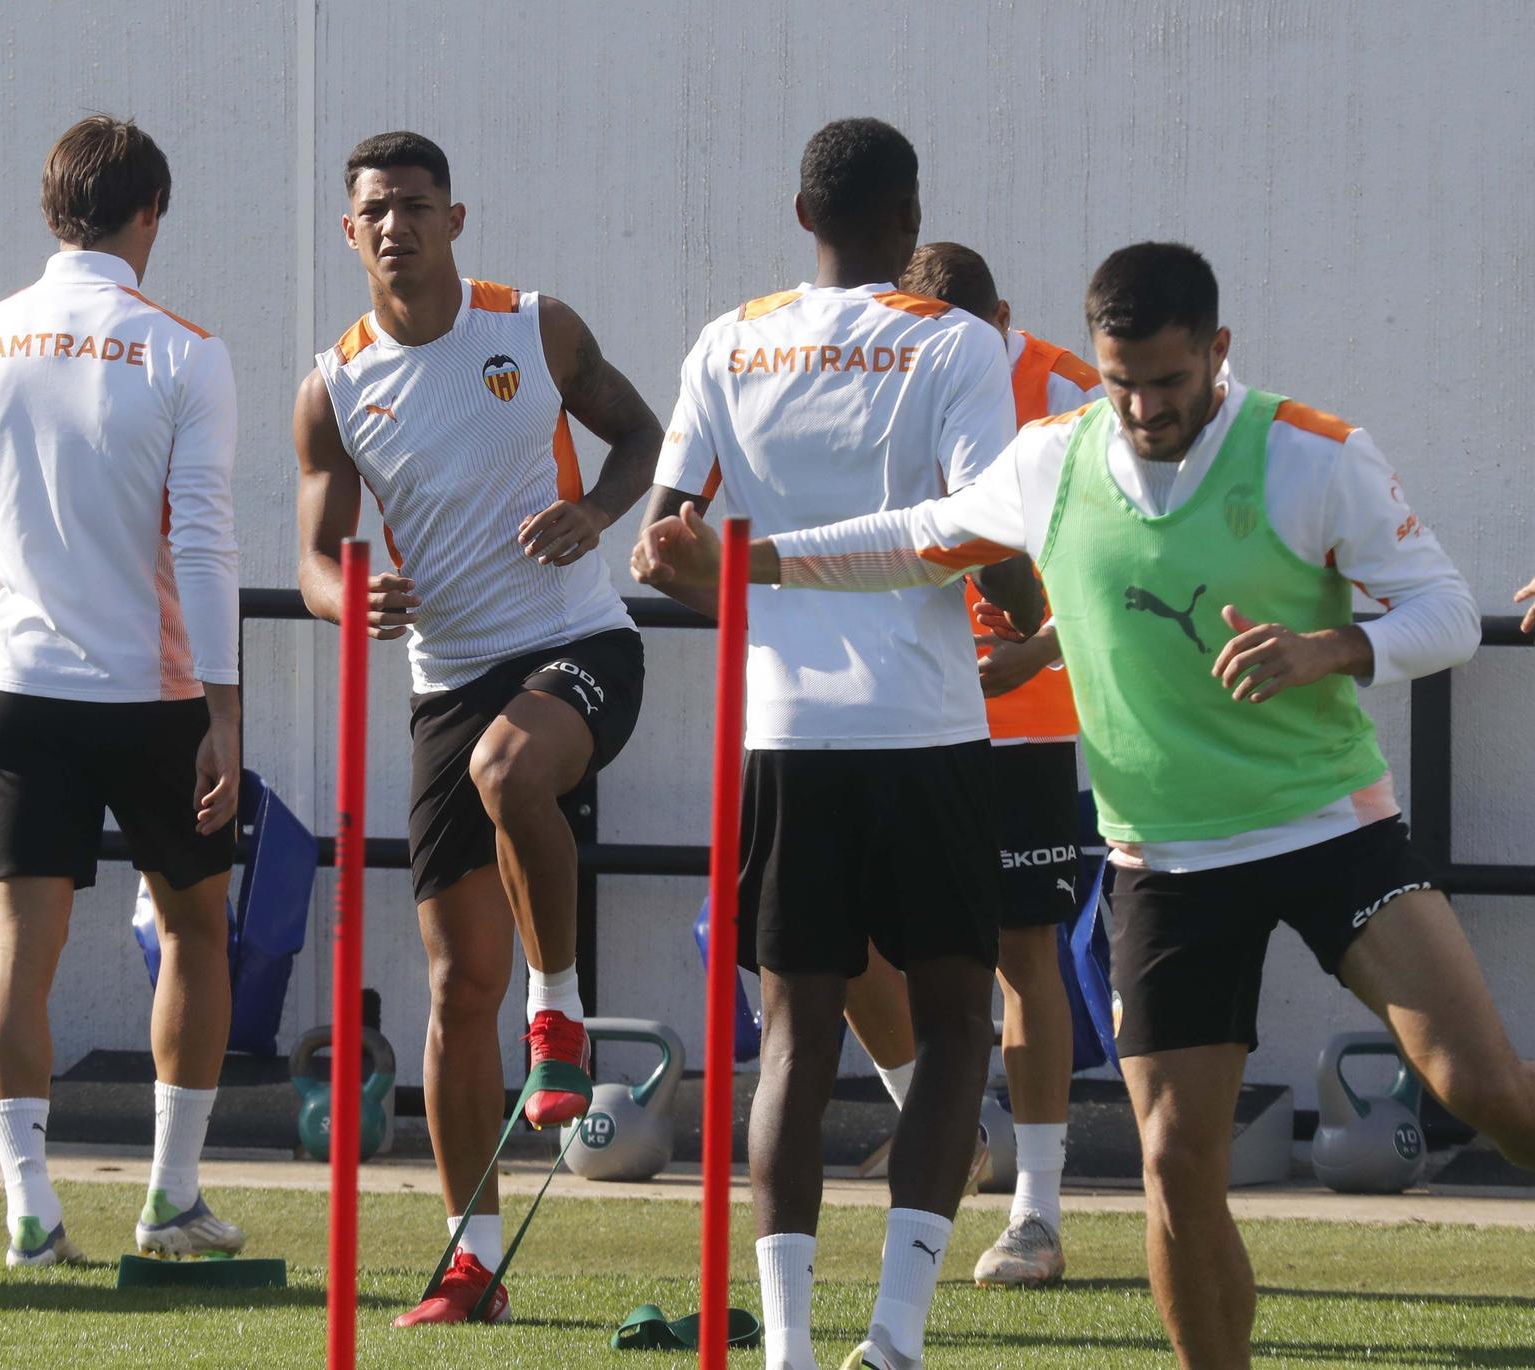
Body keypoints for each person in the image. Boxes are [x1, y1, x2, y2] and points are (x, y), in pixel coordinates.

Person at [636, 241, 1535, 1370]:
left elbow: (1445, 612)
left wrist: (1331, 646)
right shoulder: (1051, 457)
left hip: (1330, 829)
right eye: (1121, 382)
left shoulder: (1314, 454)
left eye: (1167, 380)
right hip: (1162, 863)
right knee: (1170, 1164)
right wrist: (745, 559)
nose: (1143, 407)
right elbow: (916, 537)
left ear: (1217, 350)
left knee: (1481, 1085)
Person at [635, 120, 1041, 1370]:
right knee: (957, 1026)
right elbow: (981, 523)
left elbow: (662, 544)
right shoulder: (955, 340)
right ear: (907, 217)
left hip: (781, 733)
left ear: (797, 208)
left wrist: (765, 595)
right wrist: (1030, 612)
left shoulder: (725, 338)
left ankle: (789, 1348)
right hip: (921, 724)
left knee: (796, 1038)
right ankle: (897, 1337)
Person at [294, 131, 664, 1327]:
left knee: (515, 770)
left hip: (576, 643)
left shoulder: (532, 326)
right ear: (348, 235)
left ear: (457, 217)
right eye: (372, 212)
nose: (393, 225)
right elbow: (312, 557)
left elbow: (642, 436)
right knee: (454, 987)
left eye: (413, 204)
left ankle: (557, 1013)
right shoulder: (334, 384)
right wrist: (351, 595)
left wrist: (595, 509)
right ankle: (471, 1263)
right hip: (443, 684)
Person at [0, 116, 246, 1268]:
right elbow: (206, 543)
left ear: (49, 207)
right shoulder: (183, 348)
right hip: (156, 687)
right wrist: (222, 703)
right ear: (150, 212)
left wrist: (32, 595)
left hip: (20, 680)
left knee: (18, 943)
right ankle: (169, 1200)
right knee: (194, 929)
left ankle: (29, 1210)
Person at [842, 241, 1104, 1289]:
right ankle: (949, 1126)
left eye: (960, 337)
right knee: (828, 931)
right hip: (893, 705)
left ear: (1001, 318)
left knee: (1019, 951)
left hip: (1024, 718)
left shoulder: (1068, 394)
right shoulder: (879, 372)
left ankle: (1035, 1212)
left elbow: (1120, 560)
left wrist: (1035, 648)